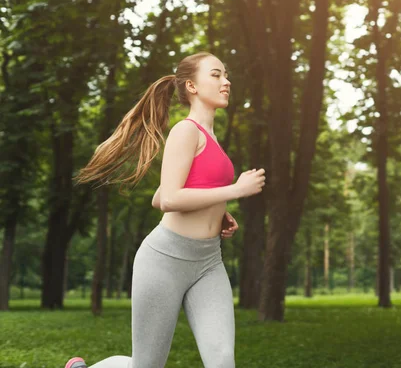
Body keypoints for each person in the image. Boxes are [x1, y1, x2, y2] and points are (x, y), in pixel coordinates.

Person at [66, 52, 266, 368]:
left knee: (222, 360)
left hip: (208, 262)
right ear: (192, 86)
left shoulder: (211, 137)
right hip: (165, 261)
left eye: (225, 75)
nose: (225, 81)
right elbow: (170, 199)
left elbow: (159, 196)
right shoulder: (185, 131)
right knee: (146, 366)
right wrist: (236, 190)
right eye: (215, 74)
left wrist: (219, 211)